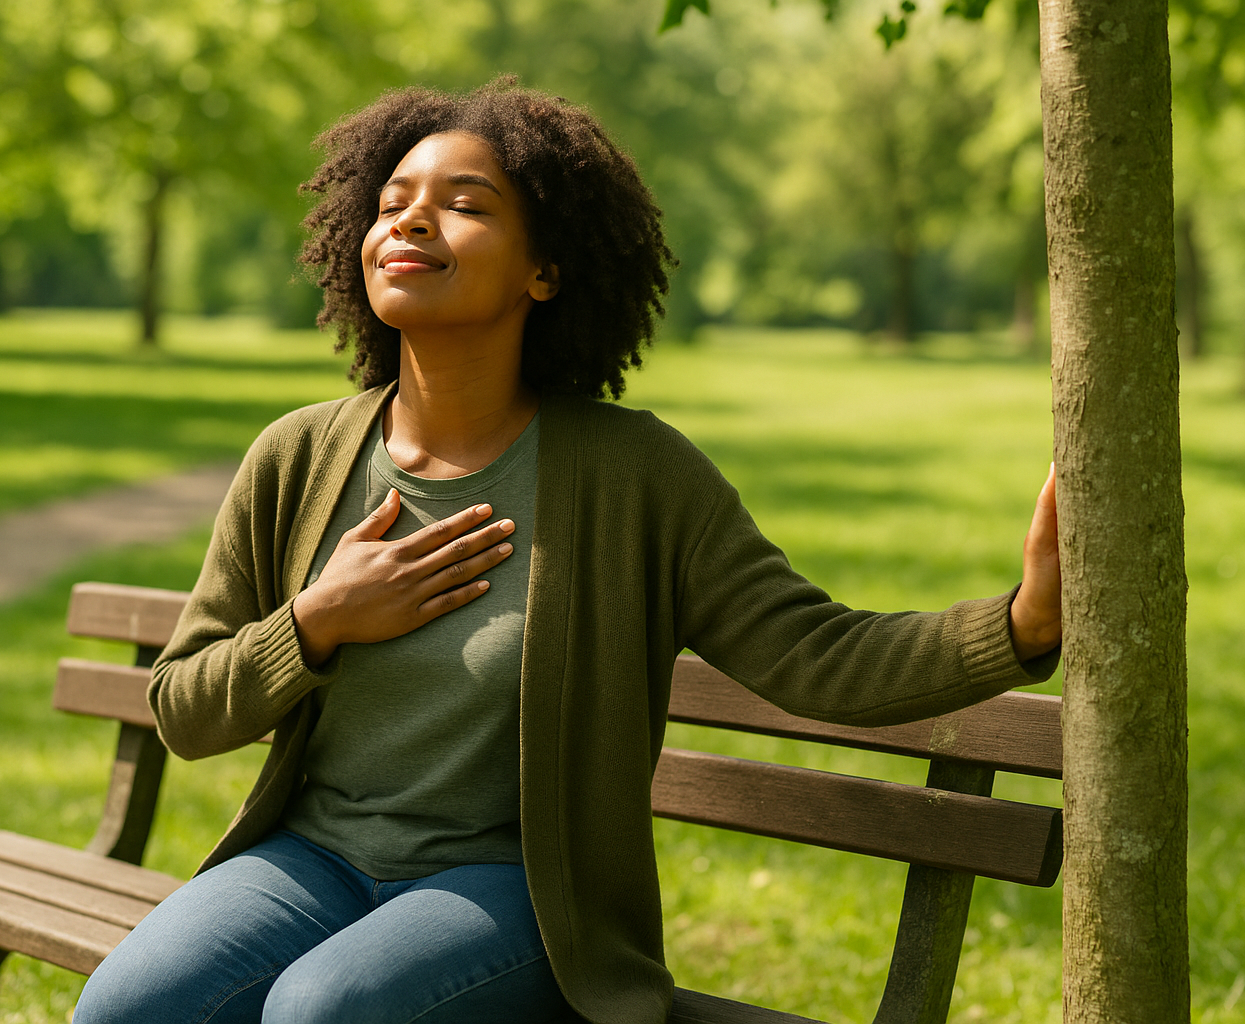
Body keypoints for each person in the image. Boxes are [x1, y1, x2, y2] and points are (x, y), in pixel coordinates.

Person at [72, 79, 1061, 1024]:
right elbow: (185, 708)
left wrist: (1020, 624)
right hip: (313, 859)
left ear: (545, 270)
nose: (410, 223)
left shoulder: (633, 476)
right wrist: (318, 619)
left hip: (520, 893)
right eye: (391, 203)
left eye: (464, 205)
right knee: (123, 1006)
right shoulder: (298, 456)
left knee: (325, 1009)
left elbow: (816, 654)